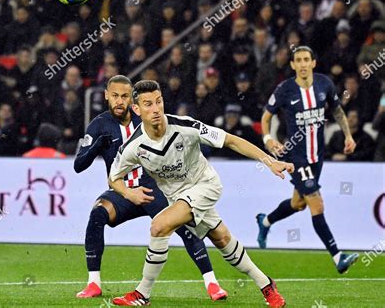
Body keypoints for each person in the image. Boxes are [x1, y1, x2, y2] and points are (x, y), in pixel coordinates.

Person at [109, 80, 293, 307]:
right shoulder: (133, 146)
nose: (155, 109)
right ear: (136, 109)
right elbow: (113, 178)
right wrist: (129, 193)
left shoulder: (186, 126)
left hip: (205, 185)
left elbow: (231, 140)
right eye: (147, 104)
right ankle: (266, 285)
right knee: (222, 238)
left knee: (159, 225)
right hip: (178, 197)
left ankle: (142, 294)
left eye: (158, 102)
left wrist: (269, 161)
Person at [74, 75, 227, 301]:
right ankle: (93, 283)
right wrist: (97, 145)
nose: (119, 101)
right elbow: (78, 165)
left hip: (153, 189)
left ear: (132, 100)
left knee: (184, 224)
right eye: (114, 96)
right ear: (106, 95)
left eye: (124, 96)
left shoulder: (145, 118)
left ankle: (212, 283)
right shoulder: (98, 125)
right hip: (123, 193)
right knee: (97, 214)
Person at [256, 46, 359, 274]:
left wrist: (348, 135)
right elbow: (266, 116)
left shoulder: (324, 84)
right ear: (292, 65)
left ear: (313, 63)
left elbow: (338, 111)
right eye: (298, 60)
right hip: (296, 157)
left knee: (298, 204)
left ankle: (265, 222)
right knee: (316, 203)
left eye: (306, 60)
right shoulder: (285, 89)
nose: (302, 64)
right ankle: (338, 257)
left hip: (317, 157)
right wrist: (268, 139)